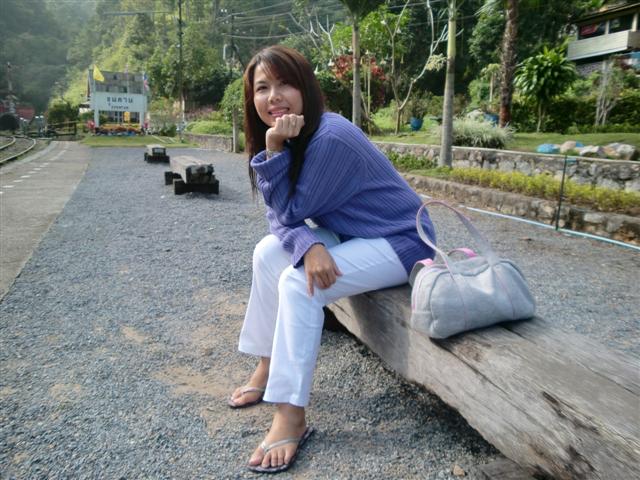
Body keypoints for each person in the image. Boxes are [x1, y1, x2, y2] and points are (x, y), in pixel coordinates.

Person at [230, 45, 436, 474]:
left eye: (285, 84)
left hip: (401, 240)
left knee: (299, 282)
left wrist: (273, 149)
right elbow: (279, 219)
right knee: (267, 253)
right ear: (252, 99)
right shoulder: (295, 136)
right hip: (354, 231)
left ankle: (291, 414)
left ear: (306, 87)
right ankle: (267, 363)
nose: (274, 96)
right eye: (262, 88)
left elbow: (286, 212)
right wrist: (310, 243)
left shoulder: (329, 138)